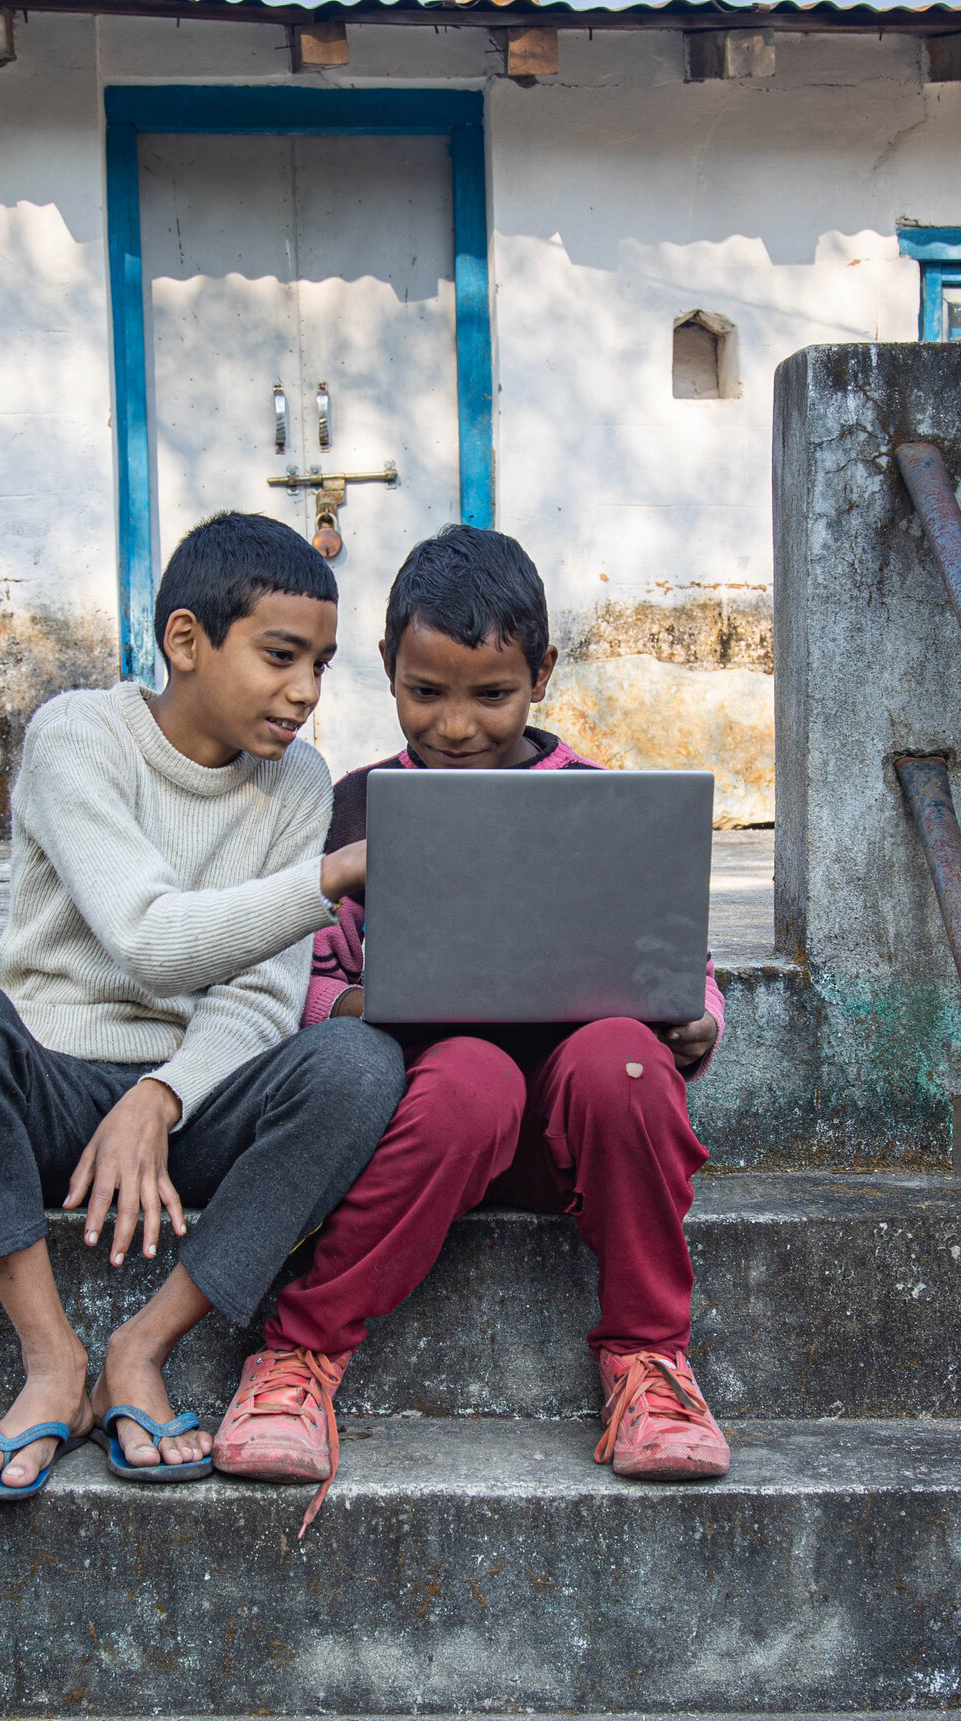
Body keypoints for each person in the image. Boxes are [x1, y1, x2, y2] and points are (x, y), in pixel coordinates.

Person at [209, 524, 730, 1530]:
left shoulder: (600, 805)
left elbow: (682, 960)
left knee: (620, 1060)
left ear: (540, 673)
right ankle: (300, 1354)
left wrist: (694, 1019)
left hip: (575, 1134)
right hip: (430, 1131)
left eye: (489, 695)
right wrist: (360, 1005)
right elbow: (297, 984)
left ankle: (650, 1361)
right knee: (472, 1076)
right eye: (424, 693)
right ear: (387, 674)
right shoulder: (355, 809)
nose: (454, 727)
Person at [0, 512, 406, 1500]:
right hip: (48, 1088)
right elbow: (148, 939)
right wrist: (333, 876)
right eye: (279, 656)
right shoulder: (78, 736)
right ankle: (52, 1362)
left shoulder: (296, 781)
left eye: (321, 666)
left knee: (360, 1064)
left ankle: (139, 1348)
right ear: (186, 641)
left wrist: (163, 1097)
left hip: (190, 1111)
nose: (304, 692)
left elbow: (264, 994)